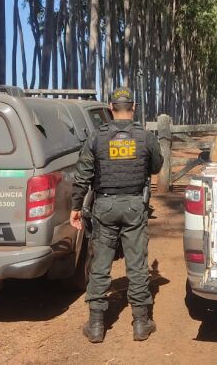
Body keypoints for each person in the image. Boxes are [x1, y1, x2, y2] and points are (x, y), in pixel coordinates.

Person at [70, 87, 163, 343]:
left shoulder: (96, 138)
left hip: (104, 207)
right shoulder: (145, 137)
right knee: (137, 264)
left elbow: (83, 176)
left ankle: (96, 325)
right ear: (133, 108)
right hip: (134, 205)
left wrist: (76, 207)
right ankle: (141, 324)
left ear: (111, 108)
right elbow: (156, 166)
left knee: (100, 265)